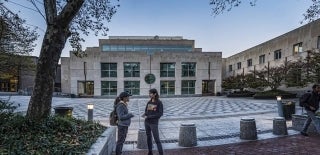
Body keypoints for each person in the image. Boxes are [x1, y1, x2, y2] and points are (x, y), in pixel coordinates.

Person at [142, 88, 164, 155]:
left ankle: (161, 153)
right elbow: (146, 111)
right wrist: (145, 114)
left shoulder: (159, 103)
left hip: (154, 123)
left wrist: (149, 116)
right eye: (149, 93)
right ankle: (150, 152)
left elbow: (160, 114)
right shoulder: (149, 102)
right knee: (149, 138)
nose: (149, 95)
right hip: (147, 122)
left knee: (157, 139)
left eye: (151, 93)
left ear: (155, 94)